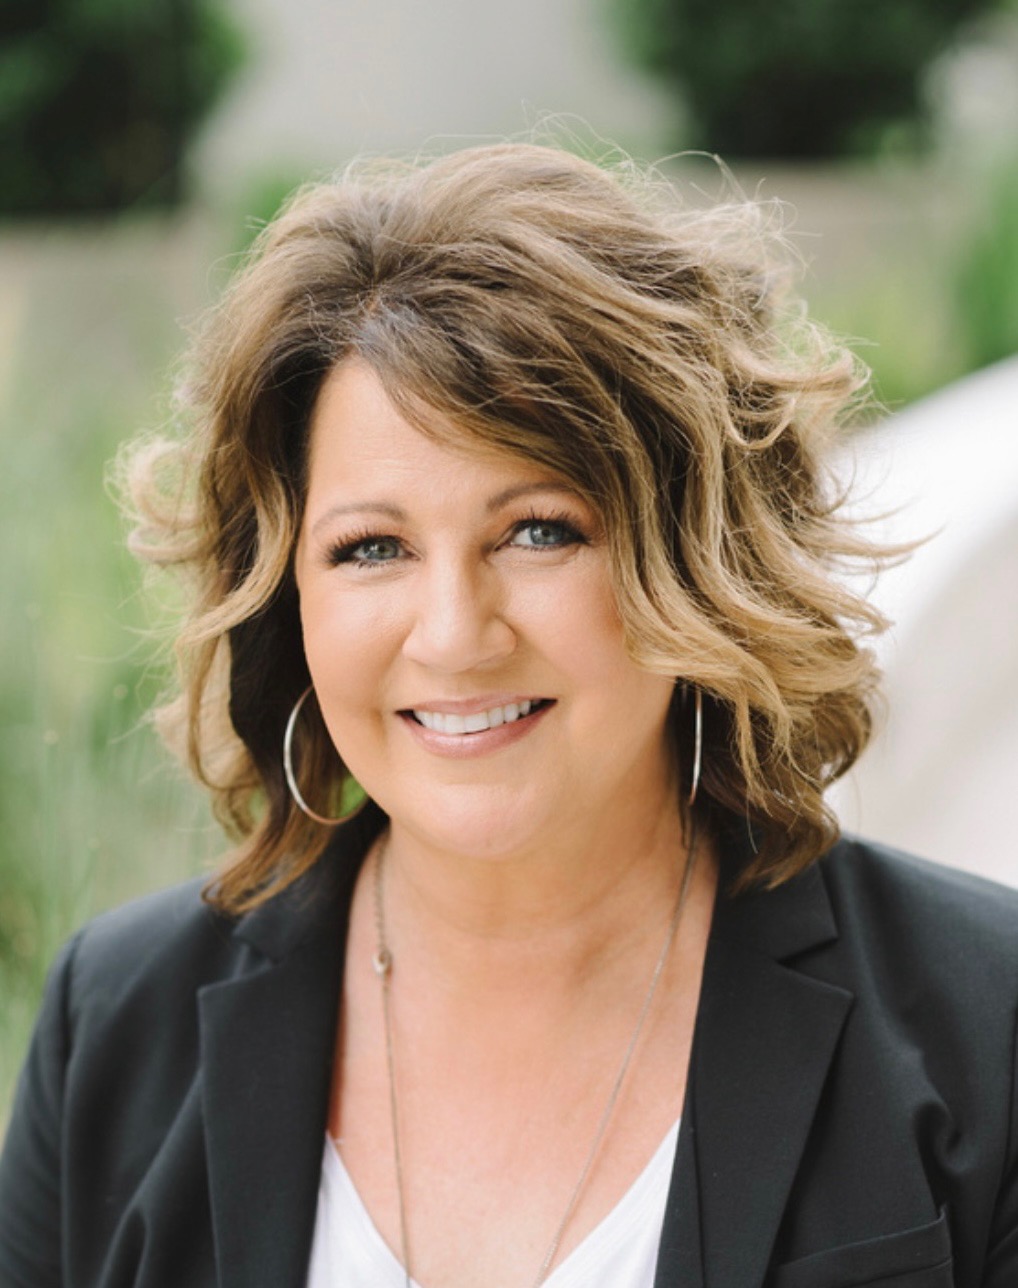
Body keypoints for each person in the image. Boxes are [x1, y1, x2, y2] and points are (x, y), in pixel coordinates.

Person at [1, 142, 1016, 1288]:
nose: (453, 633)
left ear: (691, 555)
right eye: (370, 548)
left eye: (538, 529)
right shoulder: (118, 1022)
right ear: (289, 596)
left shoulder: (984, 1016)